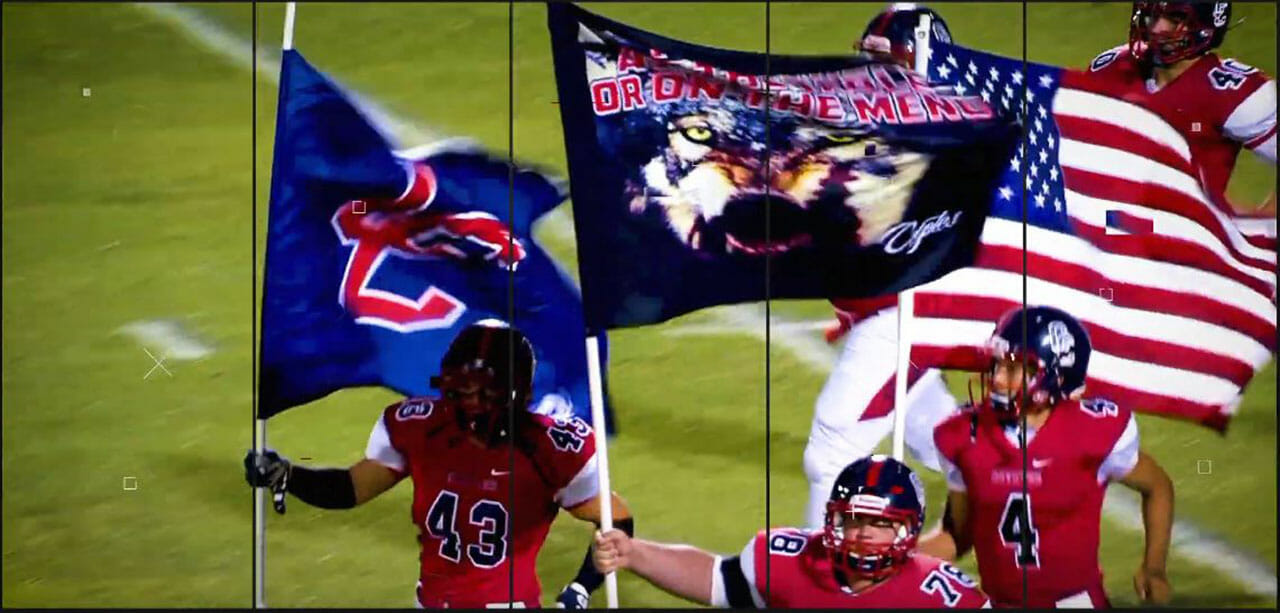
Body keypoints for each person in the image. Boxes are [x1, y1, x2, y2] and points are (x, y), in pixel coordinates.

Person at [244, 319, 632, 609]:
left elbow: (617, 520)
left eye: (485, 394)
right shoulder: (421, 428)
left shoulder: (549, 448)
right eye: (463, 392)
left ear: (518, 393)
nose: (472, 405)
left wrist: (582, 585)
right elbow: (350, 488)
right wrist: (288, 475)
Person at [805, 3, 962, 530]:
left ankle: (811, 589)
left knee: (831, 451)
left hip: (908, 316)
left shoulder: (941, 136)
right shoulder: (879, 127)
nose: (868, 74)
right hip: (889, 312)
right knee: (954, 448)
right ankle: (1030, 511)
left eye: (885, 62)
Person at [918, 306, 1176, 608]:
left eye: (1013, 369)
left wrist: (1154, 566)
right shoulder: (964, 435)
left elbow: (1157, 486)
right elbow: (957, 537)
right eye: (997, 364)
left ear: (1055, 376)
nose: (998, 378)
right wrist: (898, 559)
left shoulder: (1093, 431)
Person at [593, 455, 990, 608]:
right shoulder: (793, 561)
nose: (865, 534)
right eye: (855, 519)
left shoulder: (941, 595)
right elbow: (716, 579)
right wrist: (634, 553)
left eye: (882, 524)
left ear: (908, 530)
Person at [1087, 1, 1275, 213]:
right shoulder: (1112, 68)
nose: (1157, 28)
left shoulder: (1231, 91)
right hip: (1111, 228)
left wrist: (1256, 230)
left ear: (1205, 28)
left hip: (1179, 237)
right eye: (1152, 15)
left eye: (1174, 20)